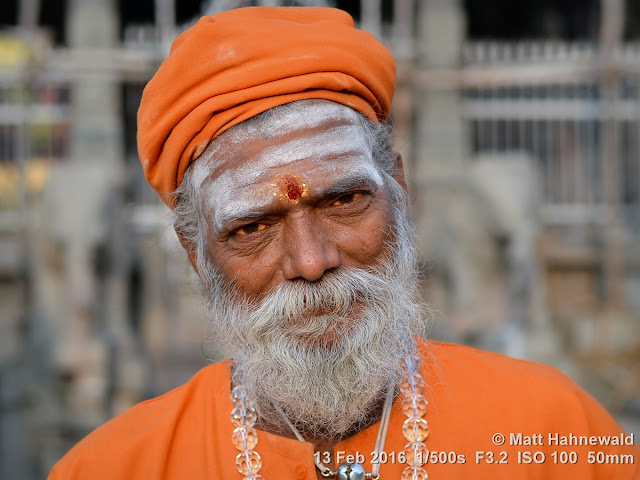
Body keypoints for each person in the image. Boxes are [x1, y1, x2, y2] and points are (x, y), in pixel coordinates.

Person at [49, 6, 639, 480]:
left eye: (344, 201)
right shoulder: (111, 467)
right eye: (252, 228)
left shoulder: (556, 431)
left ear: (399, 189)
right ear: (195, 253)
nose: (312, 262)